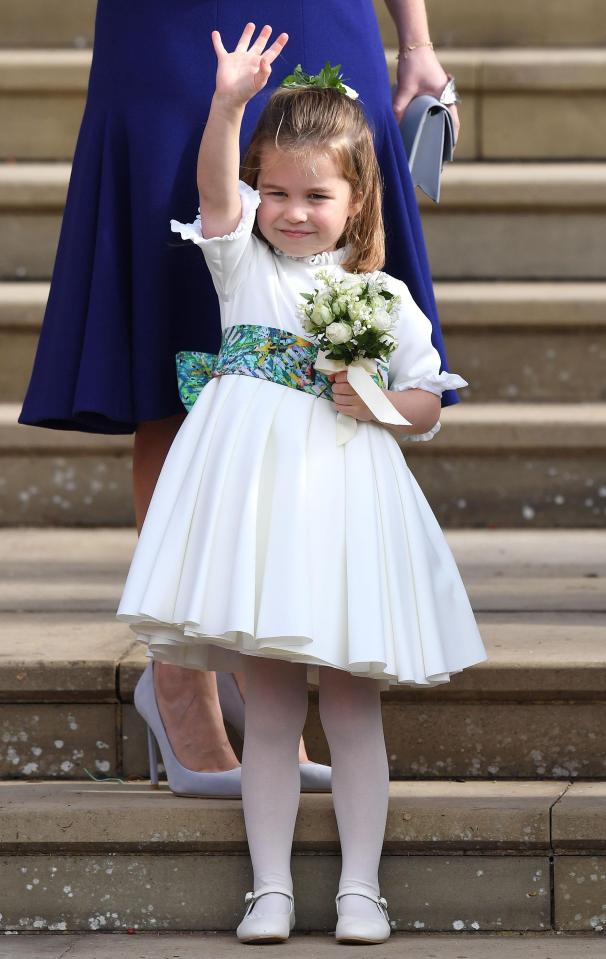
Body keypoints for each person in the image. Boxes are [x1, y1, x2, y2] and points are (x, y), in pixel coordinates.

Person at [19, 0, 460, 791]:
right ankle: (182, 685)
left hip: (323, 18)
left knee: (321, 308)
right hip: (169, 25)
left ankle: (263, 686)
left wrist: (417, 38)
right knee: (172, 346)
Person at [117, 23, 486, 944]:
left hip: (342, 510)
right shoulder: (239, 261)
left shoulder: (385, 298)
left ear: (357, 201)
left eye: (314, 195)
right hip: (258, 513)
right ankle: (270, 886)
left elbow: (427, 403)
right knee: (273, 706)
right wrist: (227, 105)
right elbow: (213, 188)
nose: (289, 210)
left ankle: (362, 884)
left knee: (353, 702)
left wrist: (376, 403)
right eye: (273, 190)